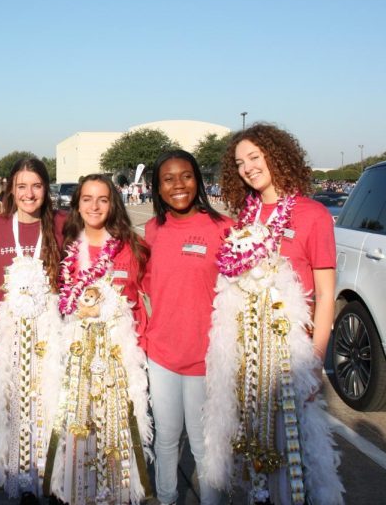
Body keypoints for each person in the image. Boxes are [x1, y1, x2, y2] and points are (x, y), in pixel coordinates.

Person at [204, 123, 343, 505]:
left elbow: (327, 294)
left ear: (276, 155)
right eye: (239, 163)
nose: (247, 167)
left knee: (294, 451)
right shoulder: (245, 218)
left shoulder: (312, 214)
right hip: (248, 353)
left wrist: (316, 359)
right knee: (252, 446)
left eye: (254, 157)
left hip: (289, 355)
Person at [43, 174, 152, 505]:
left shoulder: (132, 246)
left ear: (113, 203)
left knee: (116, 430)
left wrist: (143, 348)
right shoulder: (66, 247)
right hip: (76, 359)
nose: (94, 206)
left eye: (102, 199)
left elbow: (147, 300)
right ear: (76, 204)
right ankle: (76, 491)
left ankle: (118, 492)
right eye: (87, 198)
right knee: (78, 429)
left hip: (120, 359)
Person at [143, 150, 233, 505]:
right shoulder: (152, 230)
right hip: (161, 354)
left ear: (198, 180)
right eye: (168, 179)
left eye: (186, 176)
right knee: (165, 437)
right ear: (157, 188)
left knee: (202, 441)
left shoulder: (223, 229)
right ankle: (166, 498)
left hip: (204, 358)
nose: (178, 185)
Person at [0, 158, 64, 503]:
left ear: (46, 189)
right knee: (15, 404)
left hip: (52, 330)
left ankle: (55, 475)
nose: (29, 194)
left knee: (52, 403)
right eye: (21, 186)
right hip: (11, 332)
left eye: (37, 186)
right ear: (11, 191)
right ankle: (23, 476)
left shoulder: (63, 223)